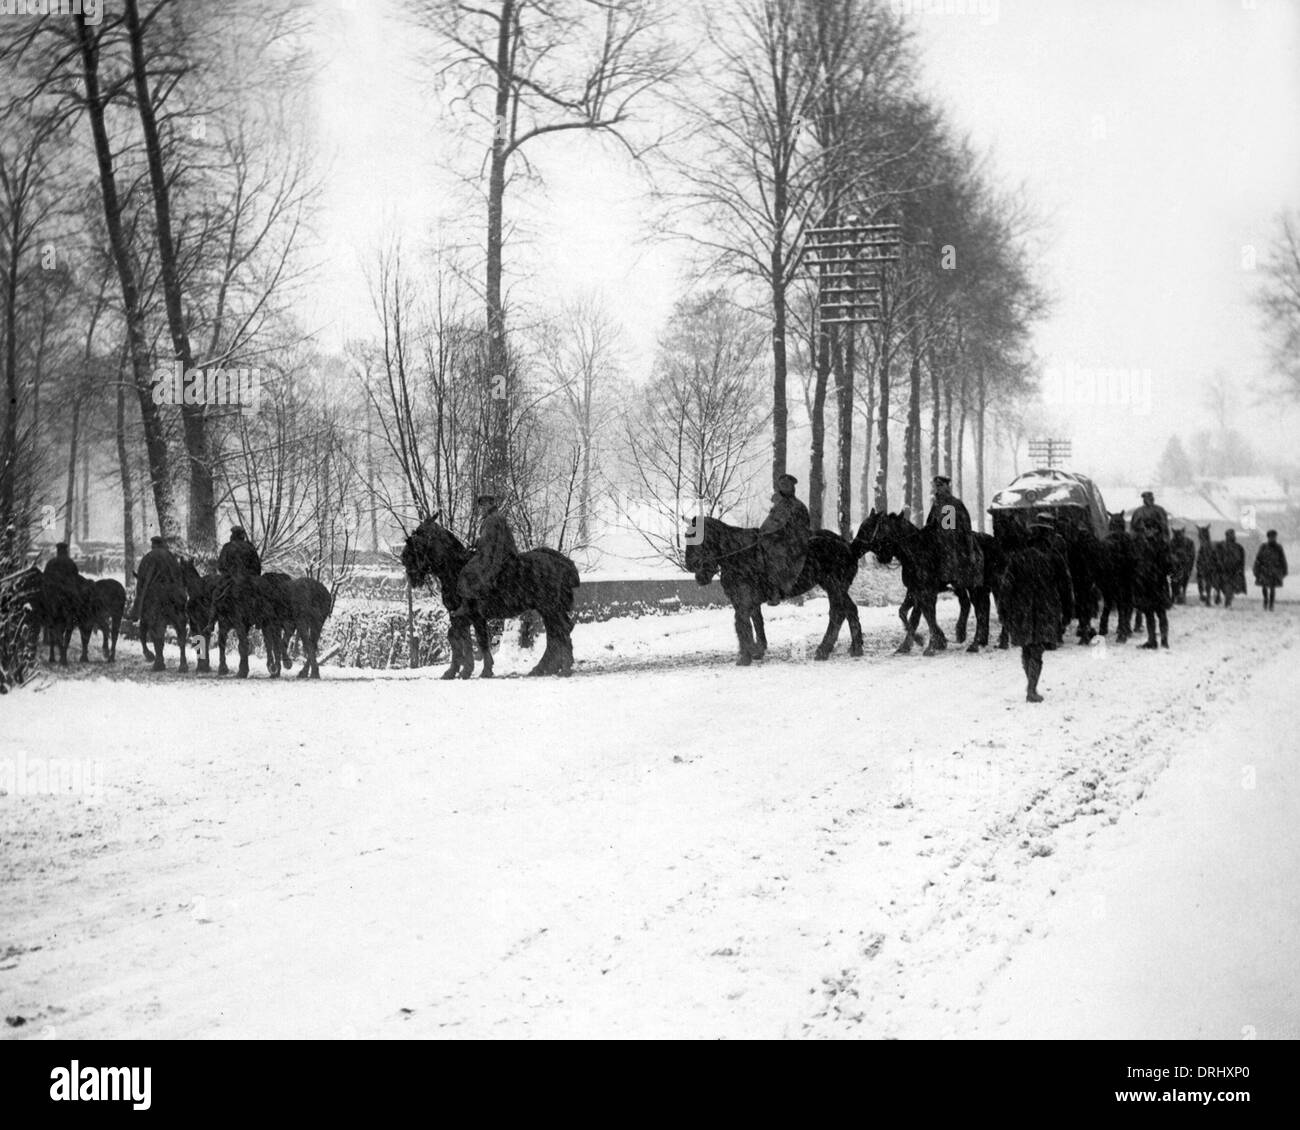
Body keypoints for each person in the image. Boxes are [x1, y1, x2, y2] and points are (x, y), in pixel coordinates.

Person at [1001, 515, 1073, 703]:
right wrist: (1068, 611)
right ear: (1047, 536)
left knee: (1027, 647)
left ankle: (1031, 685)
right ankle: (1032, 688)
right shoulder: (1054, 557)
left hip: (1022, 609)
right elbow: (1066, 586)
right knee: (1037, 649)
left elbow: (1006, 586)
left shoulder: (1018, 557)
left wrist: (1004, 611)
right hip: (1045, 608)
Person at [452, 490, 519, 616]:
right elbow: (488, 539)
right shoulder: (493, 518)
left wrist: (479, 552)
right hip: (500, 553)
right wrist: (476, 545)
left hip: (499, 555)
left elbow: (491, 543)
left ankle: (467, 605)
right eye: (481, 505)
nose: (482, 508)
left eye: (484, 504)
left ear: (490, 504)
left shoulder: (493, 519)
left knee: (467, 571)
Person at [757, 473, 811, 605]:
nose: (783, 488)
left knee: (776, 556)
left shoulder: (794, 505)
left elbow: (778, 523)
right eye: (781, 485)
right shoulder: (781, 504)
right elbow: (770, 523)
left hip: (795, 542)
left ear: (792, 487)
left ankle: (776, 591)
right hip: (782, 539)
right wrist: (762, 533)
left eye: (786, 485)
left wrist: (767, 533)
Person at [925, 474, 975, 587]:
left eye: (941, 485)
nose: (938, 488)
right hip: (939, 540)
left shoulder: (956, 503)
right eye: (936, 486)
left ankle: (953, 581)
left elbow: (966, 525)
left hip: (953, 541)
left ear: (948, 486)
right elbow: (930, 523)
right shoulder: (936, 504)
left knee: (950, 555)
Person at [127, 535, 176, 621]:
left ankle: (135, 614)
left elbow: (142, 580)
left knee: (140, 593)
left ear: (154, 545)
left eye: (152, 544)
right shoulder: (170, 556)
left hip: (152, 594)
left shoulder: (148, 557)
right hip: (170, 593)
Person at [1253, 529, 1288, 611]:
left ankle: (1271, 604)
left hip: (1274, 571)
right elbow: (1258, 559)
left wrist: (1284, 570)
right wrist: (1256, 569)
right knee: (1264, 587)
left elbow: (1282, 559)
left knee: (1272, 588)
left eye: (1274, 537)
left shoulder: (1278, 547)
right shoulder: (1263, 547)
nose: (1273, 539)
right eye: (1271, 537)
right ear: (1268, 537)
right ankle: (1265, 600)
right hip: (1264, 570)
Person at [1221, 527, 1247, 600]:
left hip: (1234, 571)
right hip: (1225, 570)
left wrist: (1240, 570)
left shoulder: (1238, 547)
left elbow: (1241, 560)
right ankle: (1228, 598)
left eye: (1232, 535)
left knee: (1230, 587)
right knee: (1226, 586)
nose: (1231, 536)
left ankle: (1228, 600)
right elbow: (1218, 558)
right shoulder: (1222, 546)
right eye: (1229, 535)